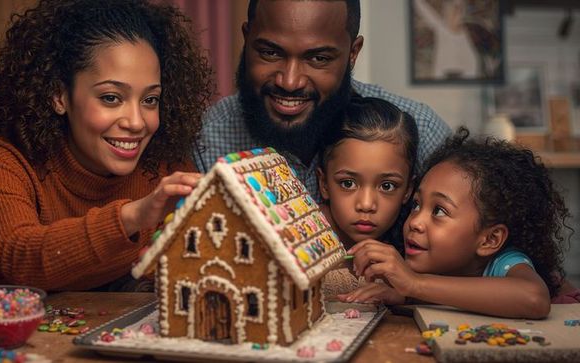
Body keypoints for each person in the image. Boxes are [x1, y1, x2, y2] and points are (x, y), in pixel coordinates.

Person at [0, 0, 214, 291]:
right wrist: (135, 216)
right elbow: (23, 259)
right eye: (111, 97)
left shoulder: (164, 169)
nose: (136, 122)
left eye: (150, 100)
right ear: (59, 96)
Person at [194, 0, 452, 203]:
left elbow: (486, 259)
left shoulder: (420, 131)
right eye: (270, 53)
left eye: (318, 59)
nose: (290, 81)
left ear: (353, 53)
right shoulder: (204, 142)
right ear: (246, 38)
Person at [346, 128, 572, 318]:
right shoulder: (439, 264)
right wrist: (407, 295)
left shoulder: (504, 263)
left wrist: (414, 284)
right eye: (416, 205)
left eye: (439, 211)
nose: (415, 221)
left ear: (489, 240)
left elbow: (533, 298)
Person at [316, 96, 418, 298]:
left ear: (408, 189)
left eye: (387, 186)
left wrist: (403, 297)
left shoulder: (412, 241)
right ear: (324, 184)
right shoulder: (297, 238)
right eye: (348, 183)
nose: (366, 204)